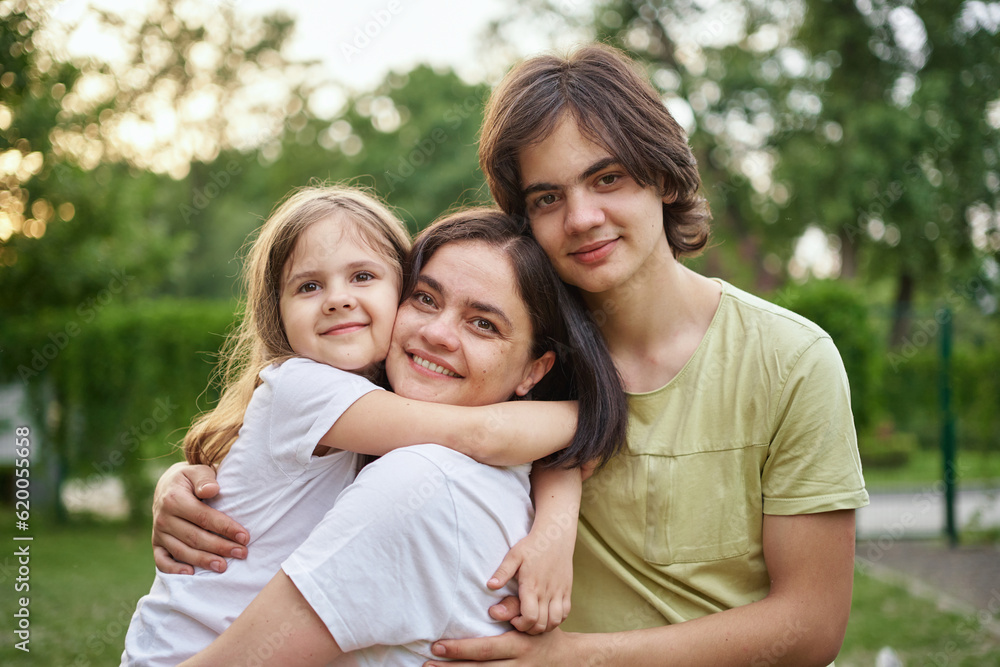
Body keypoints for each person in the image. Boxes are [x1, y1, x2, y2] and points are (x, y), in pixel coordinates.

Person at [154, 44, 869, 666]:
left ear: (668, 177)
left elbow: (811, 626)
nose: (582, 216)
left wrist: (572, 657)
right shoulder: (499, 357)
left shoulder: (790, 360)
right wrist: (193, 477)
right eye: (548, 196)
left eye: (609, 177)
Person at [121, 188, 624, 666]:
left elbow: (519, 447)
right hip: (178, 649)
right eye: (427, 299)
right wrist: (595, 411)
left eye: (362, 277)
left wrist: (554, 530)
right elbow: (483, 434)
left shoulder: (385, 406)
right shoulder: (307, 387)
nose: (436, 333)